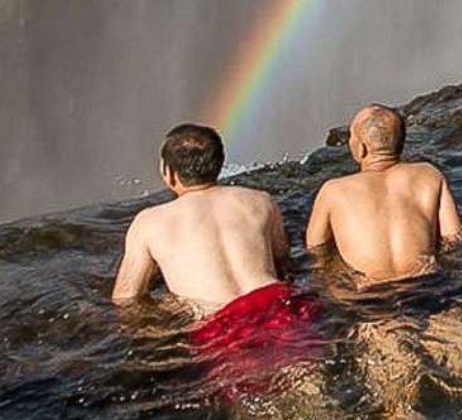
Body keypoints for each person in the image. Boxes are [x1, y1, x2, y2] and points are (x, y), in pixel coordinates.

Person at [307, 104, 462, 420]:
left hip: (373, 300)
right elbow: (454, 237)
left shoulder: (333, 190)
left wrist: (337, 288)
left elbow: (316, 250)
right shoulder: (429, 175)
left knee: (397, 402)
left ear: (360, 148)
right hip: (430, 289)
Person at [112, 123, 324, 405]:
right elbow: (284, 264)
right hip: (278, 302)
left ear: (169, 173)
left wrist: (166, 311)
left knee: (252, 408)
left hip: (221, 323)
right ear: (220, 163)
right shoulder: (260, 201)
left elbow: (126, 298)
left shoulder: (148, 222)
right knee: (310, 389)